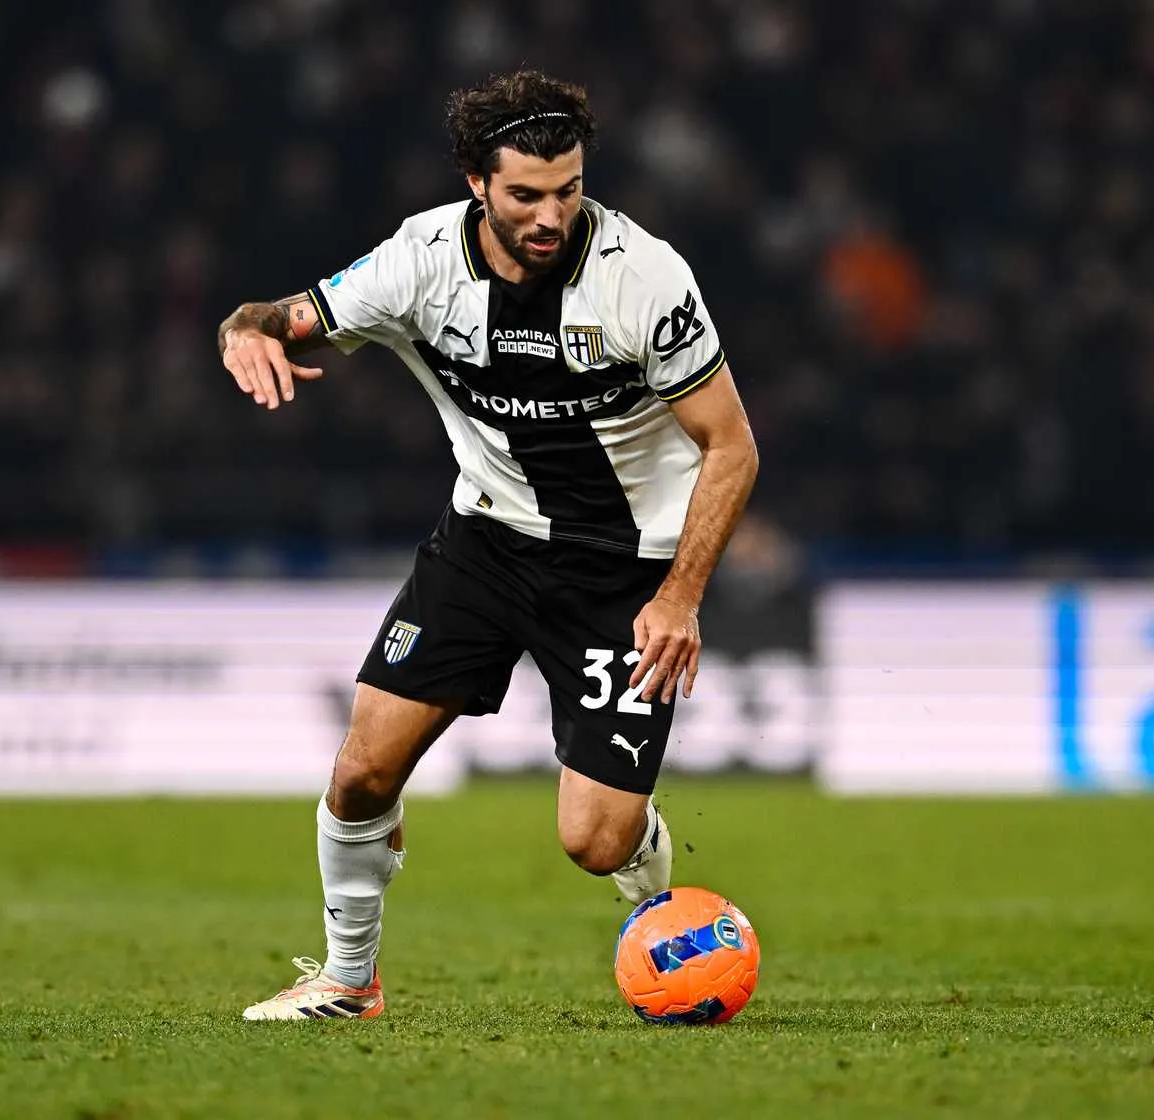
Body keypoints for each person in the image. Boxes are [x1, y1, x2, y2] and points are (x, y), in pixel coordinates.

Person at [218, 69, 759, 1021]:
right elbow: (281, 315)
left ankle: (649, 883)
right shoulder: (418, 263)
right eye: (525, 195)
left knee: (595, 840)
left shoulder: (644, 279)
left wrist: (678, 597)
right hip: (487, 542)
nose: (552, 216)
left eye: (569, 190)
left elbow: (732, 446)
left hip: (624, 569)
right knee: (362, 770)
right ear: (477, 183)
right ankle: (348, 980)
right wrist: (242, 332)